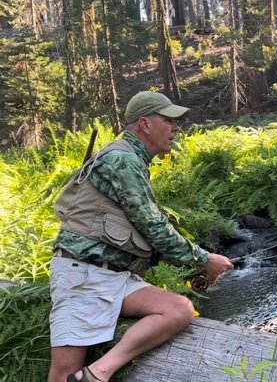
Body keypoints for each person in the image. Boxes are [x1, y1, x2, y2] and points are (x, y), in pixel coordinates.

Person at [47, 91, 234, 382]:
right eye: (169, 120)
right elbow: (154, 228)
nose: (176, 127)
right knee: (62, 373)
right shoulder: (122, 160)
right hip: (82, 274)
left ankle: (98, 373)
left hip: (113, 277)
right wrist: (205, 259)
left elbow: (141, 233)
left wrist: (198, 265)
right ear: (145, 124)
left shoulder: (131, 159)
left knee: (178, 309)